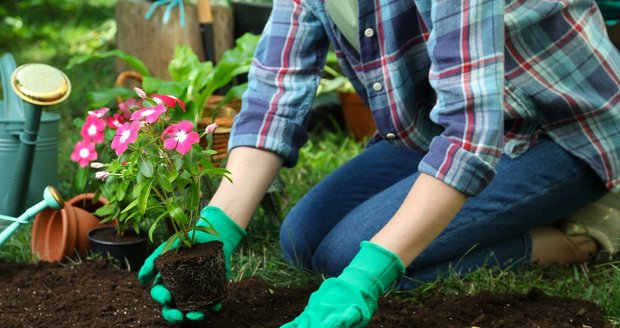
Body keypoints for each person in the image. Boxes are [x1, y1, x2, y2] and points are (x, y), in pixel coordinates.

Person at [138, 0, 620, 326]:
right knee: (302, 239)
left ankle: (577, 238)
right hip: (433, 128)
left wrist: (368, 275)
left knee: (350, 256)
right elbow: (273, 99)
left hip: (559, 129)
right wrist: (217, 224)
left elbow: (474, 132)